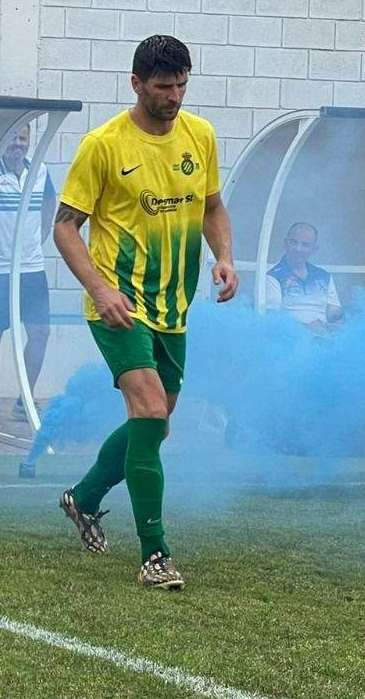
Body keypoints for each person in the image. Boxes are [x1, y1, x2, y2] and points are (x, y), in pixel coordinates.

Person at [52, 36, 237, 592]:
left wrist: (225, 256)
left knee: (153, 424)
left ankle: (82, 499)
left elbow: (212, 207)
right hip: (120, 308)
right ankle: (155, 555)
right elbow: (64, 227)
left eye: (182, 84)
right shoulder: (103, 145)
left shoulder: (199, 136)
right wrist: (101, 290)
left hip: (173, 308)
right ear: (136, 84)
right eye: (163, 87)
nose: (174, 96)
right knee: (152, 409)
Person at [0, 126, 56, 423]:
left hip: (32, 269)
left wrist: (45, 230)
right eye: (13, 138)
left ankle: (25, 399)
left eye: (23, 139)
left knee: (40, 333)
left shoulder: (40, 170)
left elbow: (50, 200)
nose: (18, 145)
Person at [263, 222, 344, 333]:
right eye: (294, 242)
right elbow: (271, 320)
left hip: (324, 338)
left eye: (305, 245)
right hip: (292, 340)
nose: (298, 249)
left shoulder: (324, 276)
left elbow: (335, 313)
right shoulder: (273, 276)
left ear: (314, 250)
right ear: (286, 243)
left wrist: (336, 327)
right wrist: (306, 329)